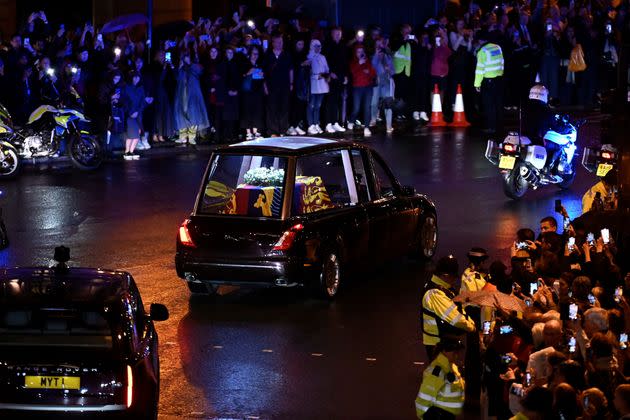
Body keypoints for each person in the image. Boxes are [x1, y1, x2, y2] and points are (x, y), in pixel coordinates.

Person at [421, 255, 475, 359]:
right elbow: (455, 318)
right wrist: (471, 327)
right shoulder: (435, 293)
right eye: (453, 276)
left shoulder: (445, 288)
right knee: (441, 372)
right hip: (437, 342)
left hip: (443, 339)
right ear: (445, 275)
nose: (455, 280)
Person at [414, 336, 466, 419]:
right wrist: (424, 416)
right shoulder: (437, 371)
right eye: (454, 351)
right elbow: (424, 396)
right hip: (439, 416)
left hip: (448, 415)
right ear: (444, 351)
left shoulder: (451, 366)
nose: (457, 355)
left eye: (458, 352)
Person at [174, 52, 210, 145]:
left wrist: (190, 66)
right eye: (184, 58)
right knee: (181, 114)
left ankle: (191, 137)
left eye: (188, 57)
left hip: (193, 95)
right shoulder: (181, 68)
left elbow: (199, 72)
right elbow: (177, 80)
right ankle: (182, 136)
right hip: (182, 95)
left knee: (193, 114)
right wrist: (179, 68)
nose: (186, 59)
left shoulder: (195, 67)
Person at [474, 30, 504, 134]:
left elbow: (479, 70)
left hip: (488, 81)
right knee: (498, 104)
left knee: (489, 105)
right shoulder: (497, 47)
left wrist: (477, 84)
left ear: (480, 40)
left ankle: (491, 127)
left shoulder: (482, 51)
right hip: (499, 79)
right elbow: (502, 62)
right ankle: (500, 127)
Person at [263, 33, 293, 136]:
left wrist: (291, 83)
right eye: (278, 42)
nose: (280, 44)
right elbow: (264, 73)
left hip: (284, 85)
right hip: (271, 86)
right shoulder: (268, 55)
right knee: (272, 109)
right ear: (273, 43)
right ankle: (272, 131)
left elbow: (290, 70)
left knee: (284, 108)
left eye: (281, 42)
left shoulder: (286, 55)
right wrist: (265, 86)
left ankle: (283, 130)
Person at [322, 26, 347, 133]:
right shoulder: (328, 45)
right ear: (332, 34)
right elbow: (325, 61)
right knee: (330, 101)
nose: (338, 35)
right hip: (331, 77)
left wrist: (345, 76)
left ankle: (335, 122)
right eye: (336, 33)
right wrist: (329, 73)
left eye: (339, 33)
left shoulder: (343, 46)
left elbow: (345, 62)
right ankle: (328, 123)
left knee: (337, 100)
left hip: (340, 76)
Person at [348, 44, 376, 137]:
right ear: (355, 53)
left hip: (368, 87)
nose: (360, 53)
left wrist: (369, 72)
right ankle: (351, 120)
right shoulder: (353, 62)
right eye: (358, 51)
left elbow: (373, 72)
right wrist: (359, 63)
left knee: (367, 107)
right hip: (357, 87)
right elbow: (352, 72)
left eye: (362, 51)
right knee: (356, 108)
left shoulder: (367, 60)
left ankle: (367, 127)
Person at [371, 36, 394, 133]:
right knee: (374, 103)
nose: (379, 46)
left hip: (386, 82)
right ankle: (373, 119)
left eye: (381, 44)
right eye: (377, 44)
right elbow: (372, 67)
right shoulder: (373, 57)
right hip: (376, 82)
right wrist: (376, 55)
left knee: (388, 103)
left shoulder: (387, 57)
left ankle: (389, 125)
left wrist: (390, 70)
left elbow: (393, 71)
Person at [306, 39, 329, 135]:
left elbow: (327, 69)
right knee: (311, 105)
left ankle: (316, 123)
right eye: (316, 46)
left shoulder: (322, 57)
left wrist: (323, 75)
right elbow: (307, 70)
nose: (318, 48)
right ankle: (310, 124)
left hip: (322, 83)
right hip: (312, 83)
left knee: (318, 105)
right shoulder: (309, 57)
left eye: (319, 46)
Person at [122, 71, 145, 160]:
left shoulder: (141, 88)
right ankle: (127, 152)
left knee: (137, 134)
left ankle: (131, 151)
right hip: (129, 115)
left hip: (138, 115)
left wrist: (138, 112)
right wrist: (130, 112)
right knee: (131, 134)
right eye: (134, 77)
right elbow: (125, 101)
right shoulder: (127, 87)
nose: (136, 79)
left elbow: (143, 102)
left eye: (138, 77)